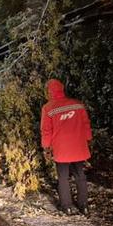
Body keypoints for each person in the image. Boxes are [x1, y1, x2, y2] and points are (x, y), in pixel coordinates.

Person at [40, 79, 92, 215]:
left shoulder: (48, 108)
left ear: (49, 92)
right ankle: (84, 205)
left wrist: (46, 147)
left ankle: (67, 206)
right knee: (80, 175)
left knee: (63, 177)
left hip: (61, 148)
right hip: (78, 146)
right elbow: (86, 124)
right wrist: (87, 138)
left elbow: (46, 130)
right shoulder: (77, 105)